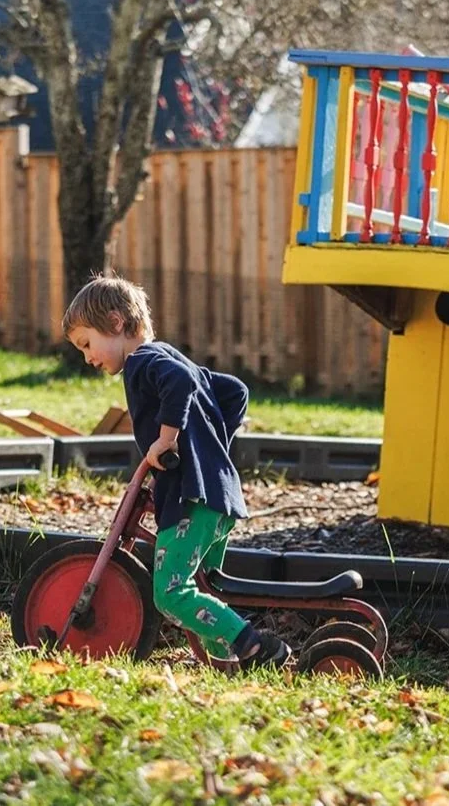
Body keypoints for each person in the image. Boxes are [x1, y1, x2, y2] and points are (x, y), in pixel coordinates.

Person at [62, 275, 290, 670]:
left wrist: (168, 439)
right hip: (219, 496)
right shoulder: (168, 355)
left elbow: (182, 383)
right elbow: (235, 392)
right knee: (202, 586)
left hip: (190, 498)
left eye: (86, 344)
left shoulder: (142, 362)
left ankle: (251, 645)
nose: (87, 357)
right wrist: (209, 444)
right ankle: (224, 665)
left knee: (170, 593)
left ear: (116, 323)